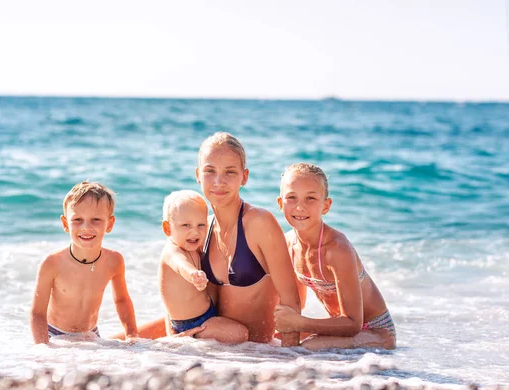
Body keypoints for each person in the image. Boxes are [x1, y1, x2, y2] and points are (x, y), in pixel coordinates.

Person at [135, 132, 301, 346]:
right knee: (119, 345)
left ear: (245, 176)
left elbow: (291, 301)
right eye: (209, 171)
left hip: (255, 354)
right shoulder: (201, 230)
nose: (218, 181)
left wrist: (293, 359)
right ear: (198, 175)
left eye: (230, 172)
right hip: (211, 352)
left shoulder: (259, 222)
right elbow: (176, 287)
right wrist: (174, 336)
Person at [273, 163, 396, 350]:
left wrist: (299, 323)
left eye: (310, 198)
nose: (300, 206)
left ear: (326, 206)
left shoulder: (337, 250)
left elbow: (354, 323)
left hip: (376, 331)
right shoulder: (289, 245)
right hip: (340, 326)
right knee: (271, 339)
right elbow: (296, 304)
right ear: (281, 203)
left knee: (311, 346)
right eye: (292, 197)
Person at [30, 181, 138, 344]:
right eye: (78, 220)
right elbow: (37, 312)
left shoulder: (114, 261)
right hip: (54, 335)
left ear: (109, 224)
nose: (86, 227)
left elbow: (122, 300)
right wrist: (43, 347)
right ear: (65, 224)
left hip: (91, 335)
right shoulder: (52, 263)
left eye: (96, 219)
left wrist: (131, 334)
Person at [159, 190, 248, 343]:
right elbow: (181, 265)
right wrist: (192, 274)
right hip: (193, 323)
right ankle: (193, 335)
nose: (195, 231)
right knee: (241, 334)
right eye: (186, 225)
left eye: (201, 224)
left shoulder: (194, 247)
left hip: (208, 312)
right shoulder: (172, 251)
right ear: (168, 228)